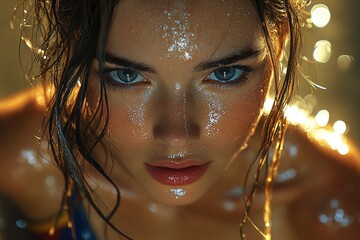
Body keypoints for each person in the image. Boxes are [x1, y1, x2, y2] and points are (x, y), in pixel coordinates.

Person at [0, 0, 359, 239]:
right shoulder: (27, 161)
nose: (176, 136)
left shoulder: (330, 208)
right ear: (73, 58)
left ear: (277, 49)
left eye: (225, 74)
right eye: (126, 77)